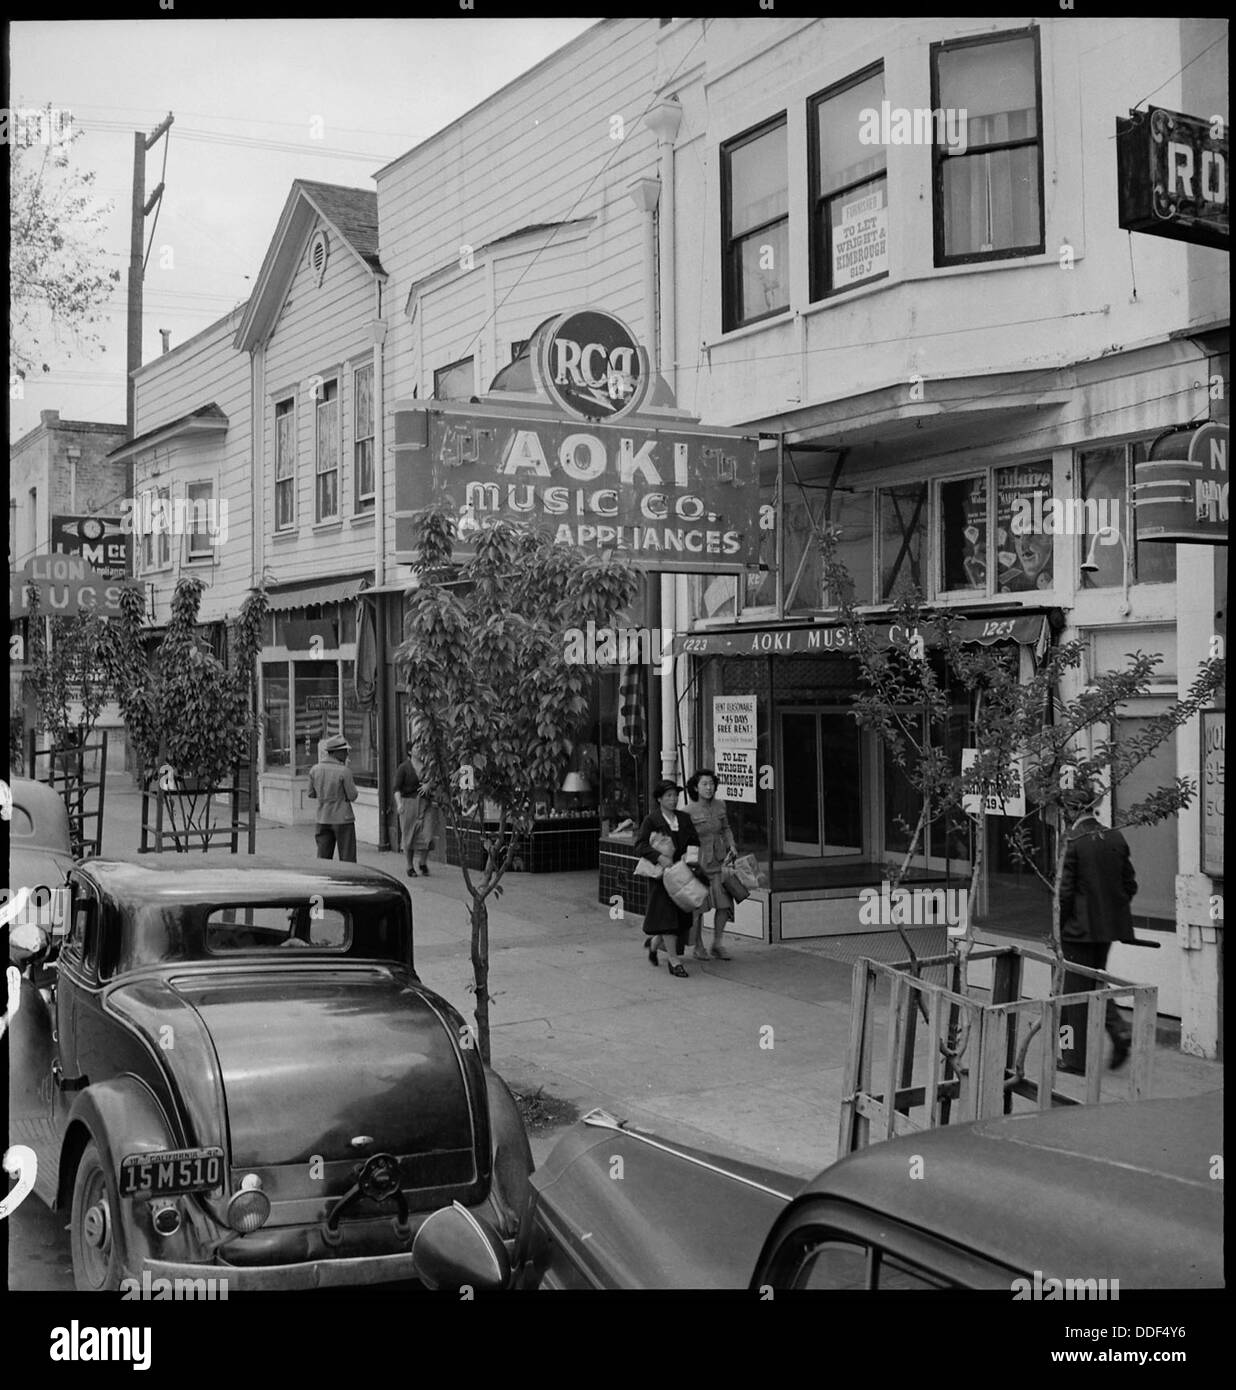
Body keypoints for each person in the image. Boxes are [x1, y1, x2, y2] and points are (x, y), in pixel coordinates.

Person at [1058, 800, 1137, 1074]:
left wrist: (1058, 927)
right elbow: (1130, 884)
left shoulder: (1074, 840)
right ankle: (1118, 1030)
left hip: (1076, 932)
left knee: (1074, 993)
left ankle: (1074, 1057)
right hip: (1105, 929)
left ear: (1072, 811)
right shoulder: (1115, 835)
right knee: (1093, 982)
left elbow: (1064, 893)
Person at [634, 779, 700, 978]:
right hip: (661, 876)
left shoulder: (684, 819)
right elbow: (640, 845)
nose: (673, 799)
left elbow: (694, 842)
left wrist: (689, 857)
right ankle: (674, 960)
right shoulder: (652, 820)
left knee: (680, 917)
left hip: (682, 873)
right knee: (667, 916)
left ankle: (654, 944)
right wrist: (659, 857)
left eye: (675, 796)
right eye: (668, 796)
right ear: (660, 799)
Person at [684, 769, 738, 960]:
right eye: (704, 784)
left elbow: (726, 828)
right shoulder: (688, 811)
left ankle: (717, 943)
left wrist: (732, 845)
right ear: (696, 787)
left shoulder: (720, 805)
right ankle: (698, 946)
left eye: (711, 783)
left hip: (719, 862)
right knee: (699, 909)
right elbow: (684, 840)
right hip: (699, 866)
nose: (709, 788)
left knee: (724, 905)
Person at [307, 734, 358, 862]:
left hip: (322, 818)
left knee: (323, 858)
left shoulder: (314, 770)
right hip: (343, 819)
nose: (347, 754)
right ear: (336, 752)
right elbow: (353, 796)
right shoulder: (344, 771)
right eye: (344, 751)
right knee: (347, 858)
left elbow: (311, 794)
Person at [393, 747, 437, 877]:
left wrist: (429, 785)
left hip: (425, 804)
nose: (420, 750)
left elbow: (436, 778)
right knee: (409, 836)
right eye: (416, 748)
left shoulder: (428, 766)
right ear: (410, 751)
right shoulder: (403, 768)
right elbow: (396, 788)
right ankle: (409, 866)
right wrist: (399, 804)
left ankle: (422, 862)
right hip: (408, 803)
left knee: (428, 835)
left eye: (420, 747)